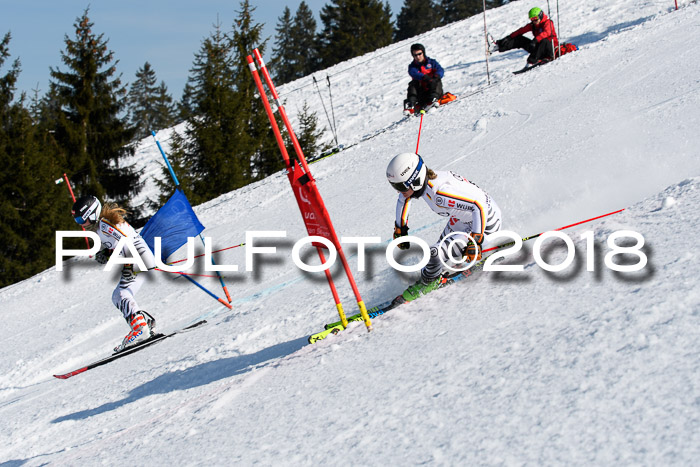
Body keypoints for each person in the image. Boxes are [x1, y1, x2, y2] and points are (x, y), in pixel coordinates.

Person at [386, 153, 502, 302]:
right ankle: (440, 273)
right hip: (464, 220)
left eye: (400, 186)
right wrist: (400, 228)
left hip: (485, 222)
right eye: (395, 186)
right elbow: (403, 198)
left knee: (434, 254)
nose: (398, 191)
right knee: (436, 261)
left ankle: (430, 283)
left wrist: (476, 241)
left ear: (416, 181)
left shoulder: (440, 193)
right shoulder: (424, 184)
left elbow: (478, 206)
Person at [71, 195, 157, 352]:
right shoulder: (102, 226)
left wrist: (111, 255)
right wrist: (106, 252)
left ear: (91, 213)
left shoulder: (104, 224)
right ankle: (142, 325)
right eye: (78, 222)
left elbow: (124, 240)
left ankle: (141, 329)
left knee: (122, 294)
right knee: (118, 295)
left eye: (82, 220)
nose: (82, 225)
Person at [404, 43, 444, 113]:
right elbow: (413, 73)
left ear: (423, 53)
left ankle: (433, 99)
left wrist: (436, 76)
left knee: (436, 81)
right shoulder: (413, 66)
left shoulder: (432, 62)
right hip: (421, 93)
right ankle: (411, 105)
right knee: (413, 83)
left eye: (419, 54)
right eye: (415, 55)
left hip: (433, 89)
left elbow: (440, 70)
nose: (418, 57)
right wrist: (424, 77)